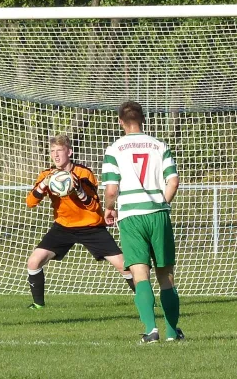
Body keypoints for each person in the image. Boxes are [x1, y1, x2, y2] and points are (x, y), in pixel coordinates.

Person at [102, 100, 183, 343]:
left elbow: (112, 189)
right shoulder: (159, 145)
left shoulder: (114, 149)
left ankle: (151, 330)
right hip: (157, 214)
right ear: (143, 120)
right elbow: (174, 181)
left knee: (140, 274)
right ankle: (172, 332)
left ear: (120, 122)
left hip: (131, 216)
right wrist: (164, 203)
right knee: (165, 275)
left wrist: (108, 209)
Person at [25, 134, 135, 310]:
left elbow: (93, 206)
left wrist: (78, 189)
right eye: (52, 151)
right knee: (34, 262)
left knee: (125, 266)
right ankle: (38, 305)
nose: (56, 155)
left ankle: (144, 299)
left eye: (59, 150)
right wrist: (43, 185)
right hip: (63, 227)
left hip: (91, 227)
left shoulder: (84, 173)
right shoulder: (47, 175)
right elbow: (30, 203)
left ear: (69, 151)